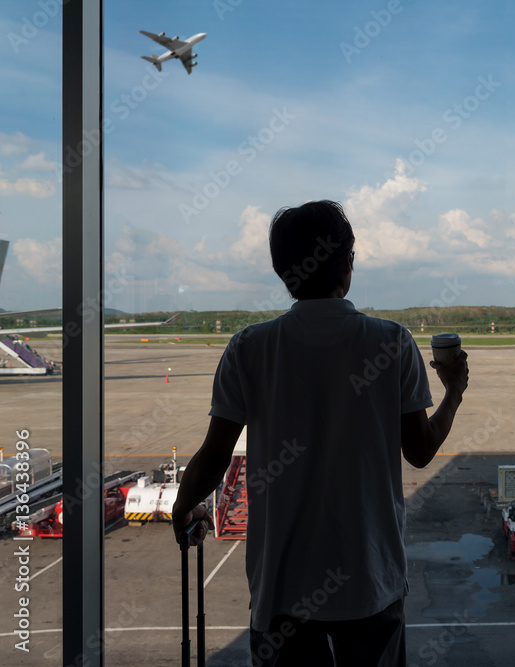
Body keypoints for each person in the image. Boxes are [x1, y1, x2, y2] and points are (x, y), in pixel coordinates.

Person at [172, 200, 469, 666]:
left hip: (281, 592)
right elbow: (420, 451)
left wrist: (182, 505)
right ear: (347, 262)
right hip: (371, 585)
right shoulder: (392, 342)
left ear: (281, 271)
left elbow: (214, 455)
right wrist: (453, 393)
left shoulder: (249, 347)